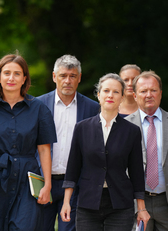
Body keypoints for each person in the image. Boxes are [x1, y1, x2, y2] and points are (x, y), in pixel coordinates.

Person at [0, 54, 57, 230]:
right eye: (6, 73)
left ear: (24, 79)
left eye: (17, 74)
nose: (11, 78)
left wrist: (47, 184)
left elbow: (44, 150)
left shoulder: (39, 108)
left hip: (27, 179)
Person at [60, 73, 150, 231]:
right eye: (106, 91)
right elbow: (73, 167)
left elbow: (136, 171)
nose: (110, 95)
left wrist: (141, 208)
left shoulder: (132, 131)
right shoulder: (82, 128)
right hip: (88, 203)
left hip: (120, 204)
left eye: (116, 92)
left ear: (122, 97)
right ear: (98, 95)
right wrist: (66, 201)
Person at [37, 54, 99, 231]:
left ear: (79, 78)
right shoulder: (38, 105)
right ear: (54, 76)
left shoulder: (92, 108)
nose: (67, 81)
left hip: (75, 185)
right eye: (63, 76)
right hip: (43, 182)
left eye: (72, 76)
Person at [125, 70, 168, 231]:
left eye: (153, 90)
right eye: (143, 91)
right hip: (136, 203)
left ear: (160, 93)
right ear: (134, 95)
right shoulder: (124, 126)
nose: (149, 95)